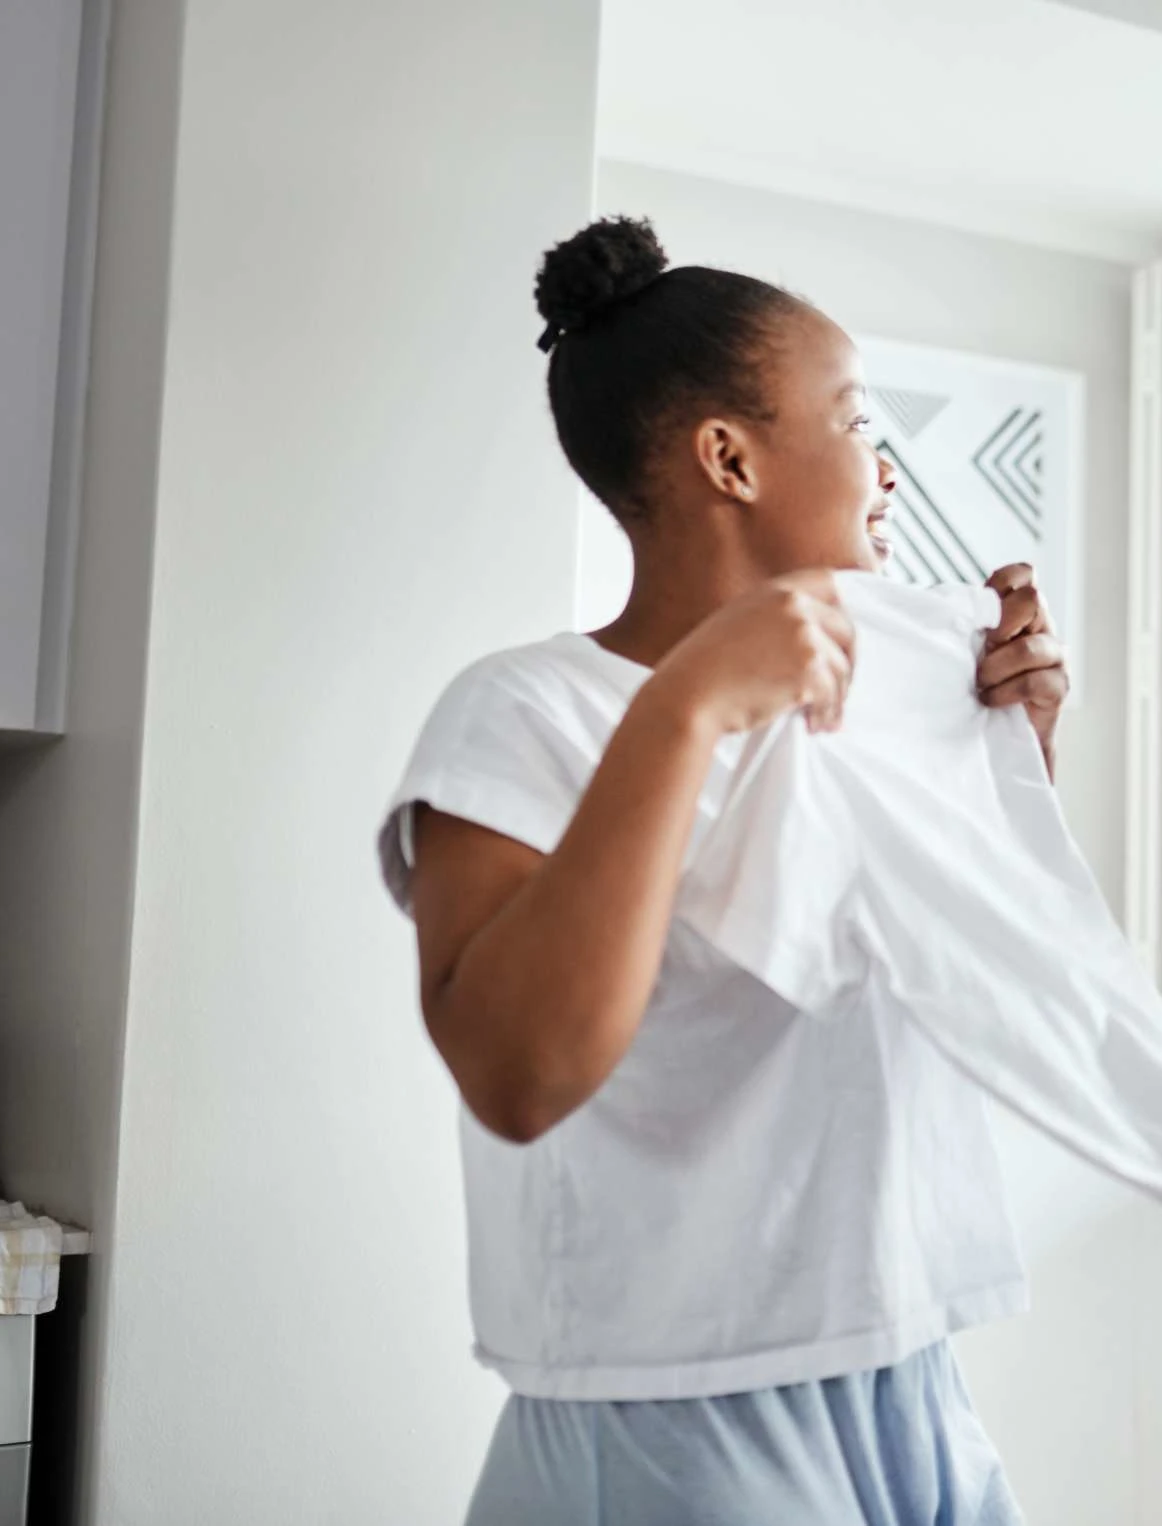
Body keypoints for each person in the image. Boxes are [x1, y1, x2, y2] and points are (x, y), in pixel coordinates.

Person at [378, 216, 1063, 1524]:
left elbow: (982, 997)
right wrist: (687, 708)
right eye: (859, 422)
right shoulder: (523, 713)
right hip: (668, 1415)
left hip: (909, 1372)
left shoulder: (864, 710)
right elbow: (518, 1074)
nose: (886, 470)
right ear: (729, 455)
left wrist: (1020, 751)